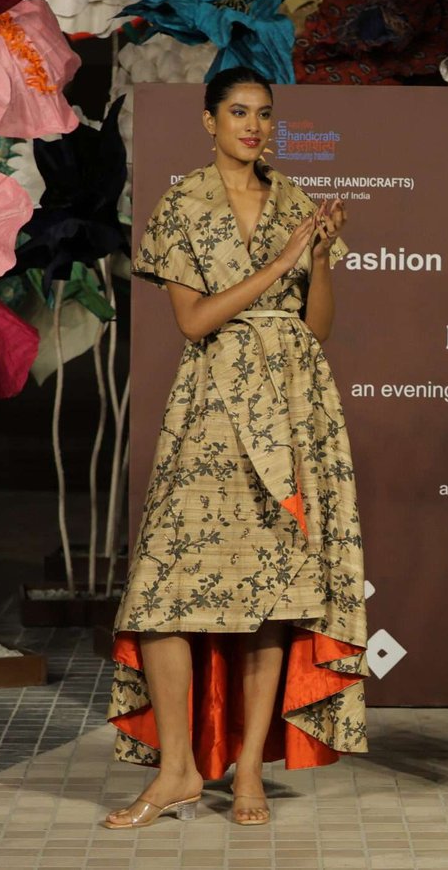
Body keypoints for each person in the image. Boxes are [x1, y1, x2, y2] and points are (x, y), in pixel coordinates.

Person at [102, 66, 369, 830]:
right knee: (161, 595)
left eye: (265, 114)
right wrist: (280, 264)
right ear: (209, 121)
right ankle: (179, 771)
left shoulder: (296, 203)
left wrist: (319, 258)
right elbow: (193, 321)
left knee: (271, 598)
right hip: (211, 408)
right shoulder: (183, 203)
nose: (254, 126)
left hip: (291, 411)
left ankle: (250, 766)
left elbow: (318, 327)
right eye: (239, 112)